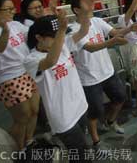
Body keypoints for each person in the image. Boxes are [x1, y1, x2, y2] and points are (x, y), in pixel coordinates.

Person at [69, 0, 137, 146]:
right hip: (89, 77)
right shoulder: (73, 30)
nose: (90, 4)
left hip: (107, 71)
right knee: (95, 112)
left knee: (120, 97)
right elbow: (90, 48)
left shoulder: (97, 21)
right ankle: (96, 141)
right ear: (76, 10)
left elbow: (115, 32)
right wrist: (111, 42)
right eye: (86, 3)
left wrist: (130, 28)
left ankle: (110, 121)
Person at [24, 10, 91, 159]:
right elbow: (50, 61)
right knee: (82, 154)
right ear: (38, 38)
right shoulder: (31, 60)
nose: (58, 39)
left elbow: (84, 31)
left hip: (79, 106)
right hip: (63, 117)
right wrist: (61, 30)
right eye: (53, 36)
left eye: (59, 35)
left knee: (79, 153)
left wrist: (86, 13)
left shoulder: (62, 44)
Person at [0, 0, 39, 150]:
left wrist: (41, 17)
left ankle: (29, 142)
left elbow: (33, 34)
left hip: (28, 71)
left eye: (13, 8)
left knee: (34, 111)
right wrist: (4, 31)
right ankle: (15, 148)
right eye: (8, 9)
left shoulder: (15, 24)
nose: (13, 11)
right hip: (9, 77)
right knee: (22, 116)